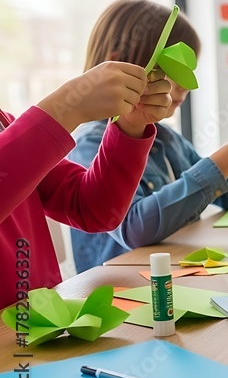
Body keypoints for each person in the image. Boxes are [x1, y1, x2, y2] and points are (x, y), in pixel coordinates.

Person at [68, 0, 228, 271]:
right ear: (120, 63)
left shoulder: (166, 138)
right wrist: (220, 165)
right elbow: (133, 228)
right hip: (122, 285)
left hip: (172, 273)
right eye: (175, 68)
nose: (188, 86)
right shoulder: (91, 143)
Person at [0, 60, 169, 308]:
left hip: (37, 324)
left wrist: (131, 125)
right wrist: (67, 107)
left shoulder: (4, 122)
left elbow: (90, 208)